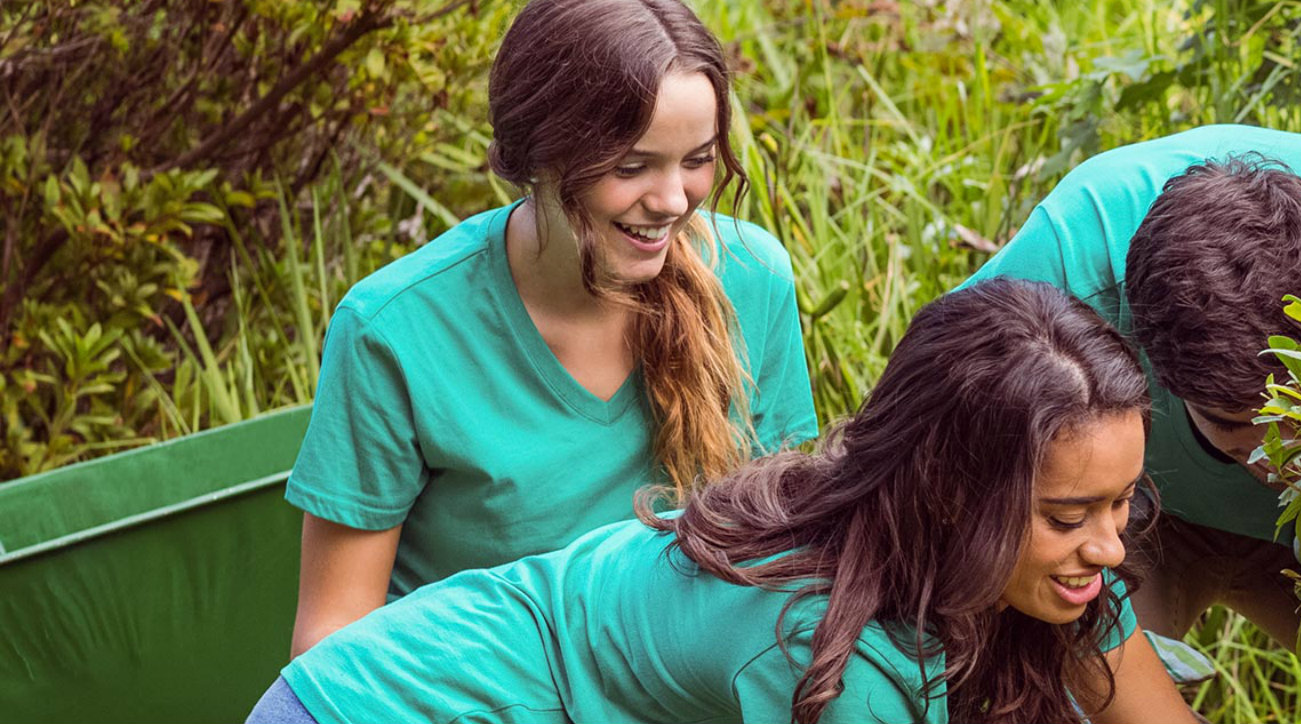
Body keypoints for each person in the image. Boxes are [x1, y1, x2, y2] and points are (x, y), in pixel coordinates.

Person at [250, 279, 1195, 724]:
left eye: (1122, 507)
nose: (1109, 550)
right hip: (386, 706)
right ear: (951, 491)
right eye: (1070, 517)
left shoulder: (1029, 564)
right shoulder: (829, 649)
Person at [285, 0, 817, 655]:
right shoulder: (393, 328)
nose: (673, 199)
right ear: (536, 155)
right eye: (631, 166)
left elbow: (781, 564)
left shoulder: (750, 279)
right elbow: (330, 645)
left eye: (698, 160)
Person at [958, 125, 1301, 721]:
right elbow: (929, 450)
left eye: (1299, 420)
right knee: (1059, 704)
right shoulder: (1065, 263)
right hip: (1139, 521)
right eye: (1241, 432)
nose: (1276, 460)